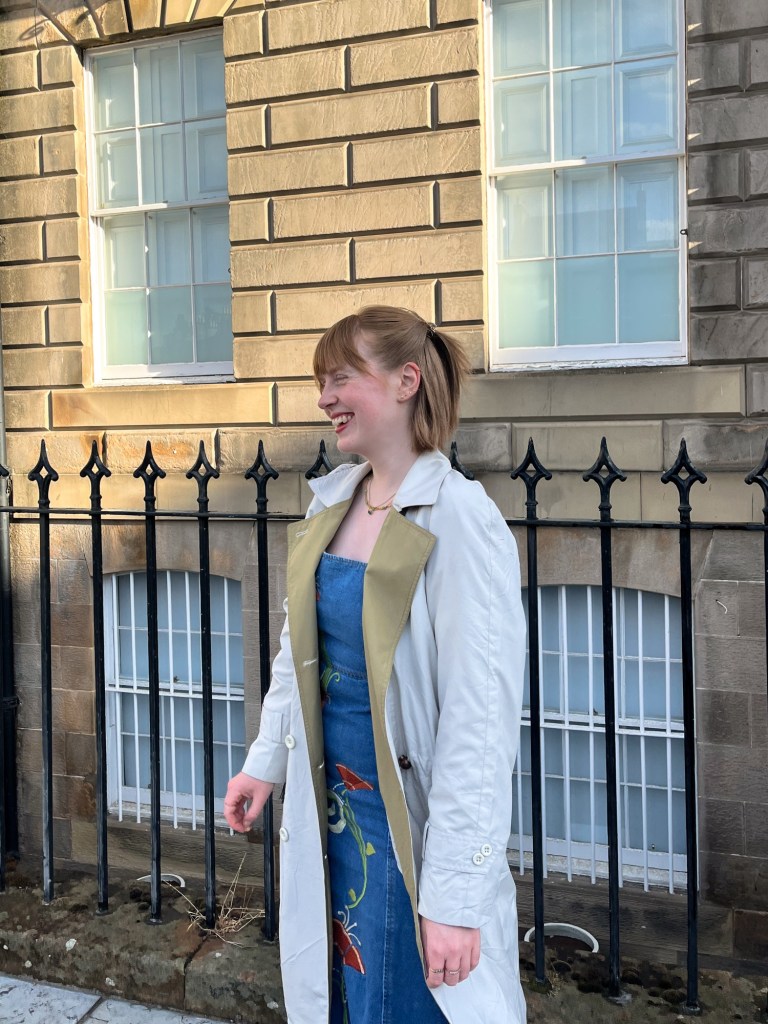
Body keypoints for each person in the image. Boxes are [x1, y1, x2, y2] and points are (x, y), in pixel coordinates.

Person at [224, 306, 527, 1024]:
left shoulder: (458, 517)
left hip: (406, 838)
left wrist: (453, 897)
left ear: (405, 381)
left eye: (340, 378)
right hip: (332, 821)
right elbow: (297, 658)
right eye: (320, 382)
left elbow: (479, 726)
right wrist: (263, 763)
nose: (324, 397)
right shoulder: (336, 504)